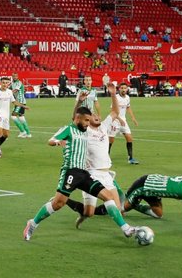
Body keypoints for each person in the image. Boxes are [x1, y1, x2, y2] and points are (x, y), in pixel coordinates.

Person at [22, 105, 138, 242]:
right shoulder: (68, 129)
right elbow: (51, 141)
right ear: (78, 119)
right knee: (58, 203)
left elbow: (90, 120)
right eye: (86, 121)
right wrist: (58, 142)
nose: (88, 124)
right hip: (70, 171)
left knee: (108, 196)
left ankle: (126, 229)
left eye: (89, 121)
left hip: (84, 173)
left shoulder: (85, 131)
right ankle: (33, 223)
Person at [68, 82, 127, 227]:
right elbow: (74, 119)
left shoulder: (104, 127)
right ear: (87, 120)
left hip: (106, 174)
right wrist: (80, 102)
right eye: (93, 115)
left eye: (97, 115)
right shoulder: (85, 131)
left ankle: (127, 229)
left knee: (118, 209)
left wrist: (113, 94)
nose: (97, 116)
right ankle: (64, 201)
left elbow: (115, 112)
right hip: (91, 174)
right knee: (89, 212)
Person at [109, 82, 139, 164]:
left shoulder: (127, 98)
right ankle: (106, 157)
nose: (123, 89)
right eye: (122, 88)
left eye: (125, 88)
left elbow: (128, 107)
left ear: (127, 89)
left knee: (129, 138)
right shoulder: (116, 98)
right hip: (115, 121)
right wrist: (119, 119)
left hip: (123, 121)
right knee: (111, 140)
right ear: (119, 89)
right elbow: (112, 111)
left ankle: (130, 158)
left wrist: (133, 118)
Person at [10, 73, 32, 138]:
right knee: (21, 117)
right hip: (18, 102)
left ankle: (22, 131)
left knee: (13, 116)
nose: (15, 77)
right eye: (13, 76)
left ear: (17, 76)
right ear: (12, 77)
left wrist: (7, 93)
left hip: (20, 102)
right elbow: (9, 89)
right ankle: (28, 133)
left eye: (16, 76)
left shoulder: (19, 83)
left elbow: (15, 90)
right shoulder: (12, 83)